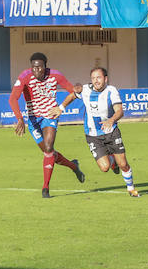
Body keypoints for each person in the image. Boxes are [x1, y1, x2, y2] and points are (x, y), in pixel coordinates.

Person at [9, 52, 85, 198]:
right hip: (33, 119)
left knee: (49, 148)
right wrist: (19, 118)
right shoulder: (25, 76)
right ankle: (73, 166)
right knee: (49, 153)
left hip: (50, 115)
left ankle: (45, 188)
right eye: (34, 67)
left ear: (45, 66)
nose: (36, 70)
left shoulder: (55, 75)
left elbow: (71, 90)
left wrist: (77, 89)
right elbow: (13, 98)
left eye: (39, 67)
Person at [58, 66, 139, 197]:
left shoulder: (111, 91)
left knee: (123, 164)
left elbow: (120, 110)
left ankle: (131, 188)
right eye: (93, 78)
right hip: (93, 135)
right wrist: (60, 108)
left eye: (99, 77)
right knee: (104, 168)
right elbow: (73, 95)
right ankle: (112, 162)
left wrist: (111, 120)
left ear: (105, 79)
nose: (96, 81)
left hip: (111, 132)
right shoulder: (85, 90)